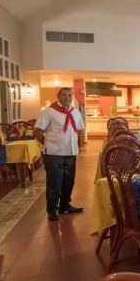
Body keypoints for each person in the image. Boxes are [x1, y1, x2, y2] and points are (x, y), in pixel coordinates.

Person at [35, 87, 85, 221]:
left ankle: (64, 205)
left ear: (72, 97)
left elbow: (79, 130)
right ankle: (52, 209)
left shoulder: (76, 113)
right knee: (54, 182)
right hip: (54, 153)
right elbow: (37, 130)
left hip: (70, 152)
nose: (67, 98)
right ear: (58, 96)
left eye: (69, 95)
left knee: (69, 181)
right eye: (64, 95)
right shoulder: (49, 111)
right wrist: (47, 144)